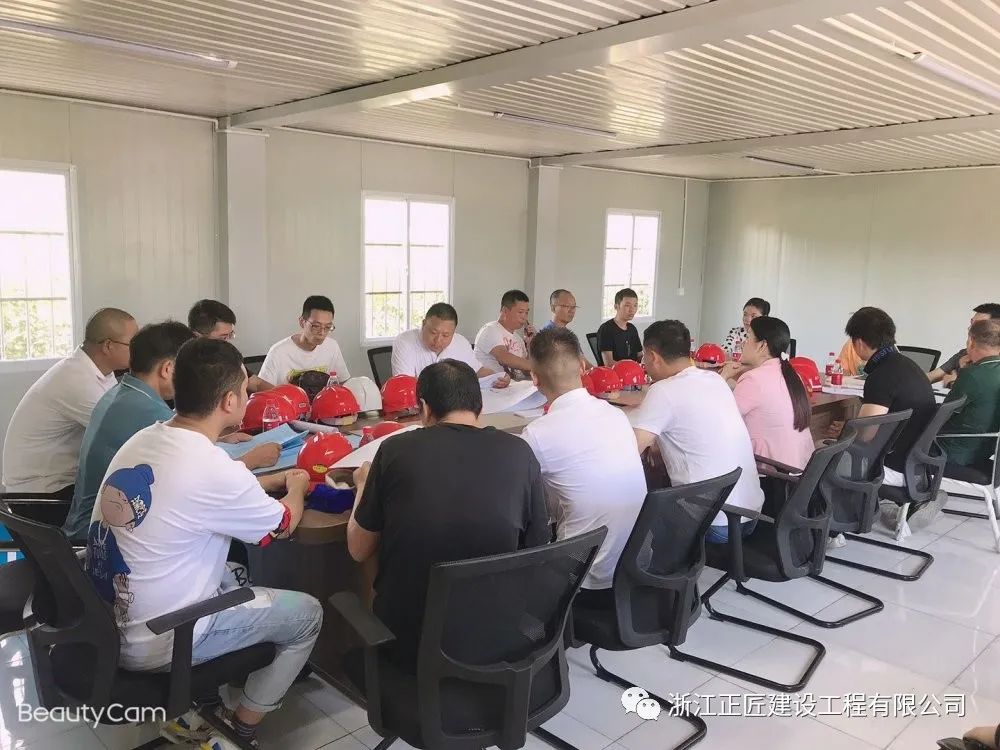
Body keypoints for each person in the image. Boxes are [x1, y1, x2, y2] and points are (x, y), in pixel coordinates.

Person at [84, 338, 321, 748]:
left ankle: (193, 706)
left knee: (233, 569)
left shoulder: (145, 439)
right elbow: (281, 526)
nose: (246, 397)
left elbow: (200, 492)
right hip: (161, 637)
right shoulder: (210, 465)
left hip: (105, 624)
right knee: (308, 615)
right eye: (245, 390)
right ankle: (239, 726)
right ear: (230, 401)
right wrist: (296, 486)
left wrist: (267, 481)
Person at [346, 359, 550, 670]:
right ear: (479, 406)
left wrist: (362, 484)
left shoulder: (396, 450)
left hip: (410, 641)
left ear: (425, 408)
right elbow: (537, 546)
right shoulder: (519, 452)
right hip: (499, 634)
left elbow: (358, 549)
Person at [62, 322, 281, 543]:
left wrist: (221, 438)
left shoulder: (123, 393)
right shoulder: (149, 413)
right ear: (168, 369)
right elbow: (204, 476)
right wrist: (251, 460)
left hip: (98, 524)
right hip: (108, 533)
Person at [521, 328, 645, 609]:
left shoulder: (537, 434)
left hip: (581, 578)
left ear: (534, 378)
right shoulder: (617, 415)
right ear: (581, 366)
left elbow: (520, 504)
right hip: (633, 566)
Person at [632, 320, 764, 543]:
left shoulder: (663, 390)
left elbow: (629, 452)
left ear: (653, 356)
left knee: (632, 515)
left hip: (712, 523)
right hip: (748, 516)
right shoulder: (715, 379)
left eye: (644, 357)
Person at [2, 308, 138, 498]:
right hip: (40, 491)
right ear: (108, 346)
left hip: (58, 480)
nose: (141, 350)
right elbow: (125, 434)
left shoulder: (97, 371)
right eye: (134, 344)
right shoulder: (77, 381)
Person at [845, 307, 936, 487]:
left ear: (859, 343)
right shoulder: (907, 365)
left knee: (820, 455)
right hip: (918, 464)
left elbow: (864, 436)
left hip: (893, 467)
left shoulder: (881, 375)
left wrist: (844, 432)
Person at [720, 317, 814, 470]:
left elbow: (719, 420)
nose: (743, 343)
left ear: (762, 345)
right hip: (801, 471)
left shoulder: (754, 379)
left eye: (748, 338)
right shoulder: (791, 374)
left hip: (773, 475)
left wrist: (723, 377)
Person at [391, 302, 508, 385]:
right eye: (433, 332)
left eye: (445, 335)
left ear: (453, 332)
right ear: (423, 324)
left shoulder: (461, 342)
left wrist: (500, 377)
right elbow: (405, 384)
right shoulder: (405, 342)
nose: (438, 340)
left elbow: (477, 371)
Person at [937, 319, 1000, 469]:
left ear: (971, 341)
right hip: (985, 450)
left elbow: (942, 416)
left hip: (954, 451)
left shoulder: (972, 374)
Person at [258, 295, 350, 390]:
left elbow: (343, 383)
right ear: (302, 322)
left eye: (327, 327)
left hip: (323, 399)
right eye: (316, 326)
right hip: (290, 399)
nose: (322, 333)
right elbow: (262, 389)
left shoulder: (332, 346)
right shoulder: (278, 352)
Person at [188, 298, 267, 393]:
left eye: (231, 335)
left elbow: (255, 383)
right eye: (223, 337)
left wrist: (281, 394)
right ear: (197, 336)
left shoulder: (226, 356)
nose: (228, 342)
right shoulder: (187, 368)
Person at [929, 303, 1000, 386]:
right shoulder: (964, 354)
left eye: (978, 324)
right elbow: (930, 377)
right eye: (972, 323)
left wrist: (954, 382)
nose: (970, 328)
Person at [474, 290, 535, 380]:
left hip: (516, 386)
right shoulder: (490, 329)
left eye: (526, 313)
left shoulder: (518, 339)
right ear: (505, 311)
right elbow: (504, 358)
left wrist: (531, 345)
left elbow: (526, 371)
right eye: (520, 312)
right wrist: (538, 367)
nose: (524, 317)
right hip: (493, 386)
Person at [596, 288, 643, 366]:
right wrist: (632, 368)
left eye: (635, 305)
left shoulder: (632, 329)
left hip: (634, 371)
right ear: (616, 306)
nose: (632, 310)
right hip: (615, 372)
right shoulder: (606, 329)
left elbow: (639, 356)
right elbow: (609, 364)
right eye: (627, 305)